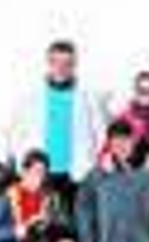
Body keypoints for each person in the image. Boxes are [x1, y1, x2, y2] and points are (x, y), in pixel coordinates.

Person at [7, 38, 107, 197]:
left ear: (75, 64)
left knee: (77, 220)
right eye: (56, 62)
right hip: (40, 174)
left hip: (77, 174)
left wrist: (94, 165)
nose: (62, 68)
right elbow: (15, 134)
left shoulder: (89, 98)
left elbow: (101, 134)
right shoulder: (29, 97)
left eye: (68, 63)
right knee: (39, 221)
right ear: (49, 63)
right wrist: (21, 167)